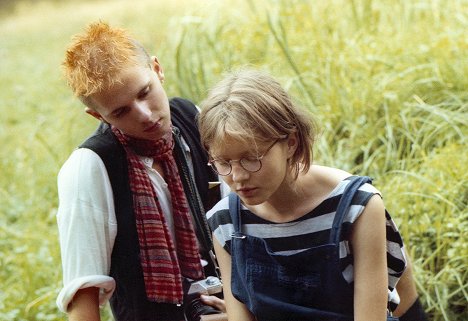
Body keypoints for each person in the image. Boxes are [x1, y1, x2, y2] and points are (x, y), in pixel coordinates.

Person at [197, 69, 429, 321]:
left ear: (291, 143)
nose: (238, 176)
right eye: (223, 162)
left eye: (252, 159)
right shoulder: (225, 221)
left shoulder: (357, 206)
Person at [56, 22, 226, 321]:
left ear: (157, 69)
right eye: (121, 112)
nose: (145, 115)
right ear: (98, 115)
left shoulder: (191, 118)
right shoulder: (89, 168)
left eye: (145, 92)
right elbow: (83, 300)